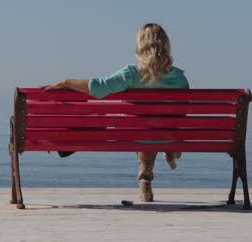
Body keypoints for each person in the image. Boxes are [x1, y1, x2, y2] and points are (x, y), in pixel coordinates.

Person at [44, 22, 189, 202]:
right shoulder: (180, 78)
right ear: (166, 46)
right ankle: (170, 151)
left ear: (140, 46)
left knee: (141, 126)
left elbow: (99, 87)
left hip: (136, 134)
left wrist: (67, 82)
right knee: (154, 126)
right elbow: (182, 113)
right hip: (169, 135)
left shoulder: (132, 74)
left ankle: (145, 180)